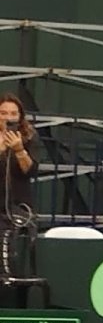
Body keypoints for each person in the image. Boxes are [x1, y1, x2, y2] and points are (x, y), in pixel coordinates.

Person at [0, 93, 37, 230]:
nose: (8, 118)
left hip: (18, 204)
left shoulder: (28, 136)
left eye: (13, 114)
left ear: (20, 117)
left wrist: (19, 150)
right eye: (3, 113)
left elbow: (30, 171)